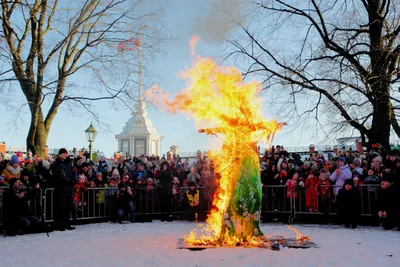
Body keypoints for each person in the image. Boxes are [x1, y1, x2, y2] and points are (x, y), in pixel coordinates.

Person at [51, 148, 76, 231]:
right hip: (60, 188)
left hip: (69, 188)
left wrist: (73, 180)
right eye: (64, 153)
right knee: (60, 207)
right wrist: (69, 180)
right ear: (60, 154)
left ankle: (67, 223)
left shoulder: (69, 163)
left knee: (68, 208)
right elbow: (58, 175)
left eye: (66, 153)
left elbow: (73, 173)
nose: (66, 155)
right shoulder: (56, 163)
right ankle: (59, 224)